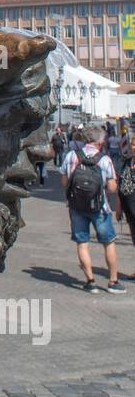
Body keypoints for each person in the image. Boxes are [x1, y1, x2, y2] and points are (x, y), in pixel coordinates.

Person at [60, 124, 123, 293]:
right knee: (108, 242)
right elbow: (111, 188)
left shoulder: (71, 156)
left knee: (82, 243)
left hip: (76, 207)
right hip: (100, 208)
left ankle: (91, 282)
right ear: (100, 142)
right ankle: (113, 282)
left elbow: (65, 183)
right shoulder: (104, 159)